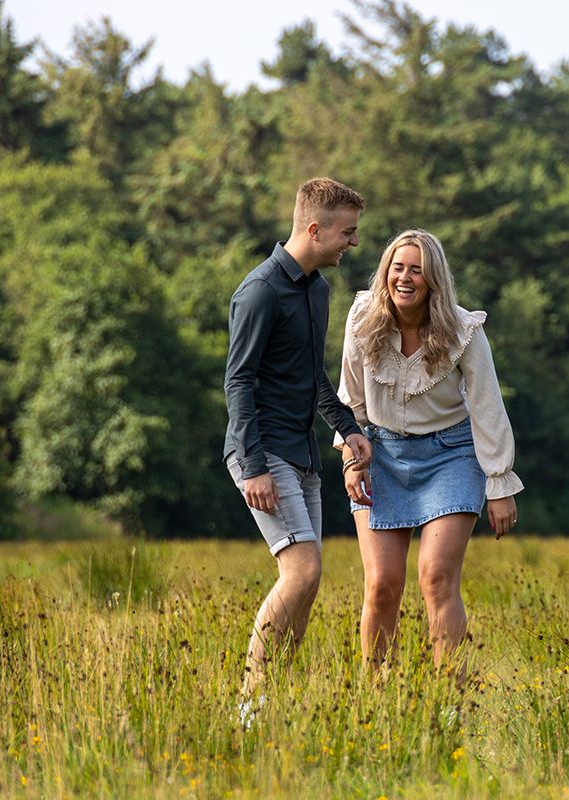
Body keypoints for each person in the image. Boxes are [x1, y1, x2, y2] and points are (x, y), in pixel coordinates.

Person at [334, 229, 523, 672]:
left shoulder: (463, 331)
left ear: (433, 279)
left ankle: (446, 702)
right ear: (385, 274)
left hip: (450, 456)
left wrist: (499, 484)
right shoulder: (362, 316)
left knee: (436, 577)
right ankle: (377, 703)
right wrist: (350, 458)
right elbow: (351, 398)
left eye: (415, 270)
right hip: (379, 454)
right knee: (382, 583)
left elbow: (487, 407)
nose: (404, 278)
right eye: (397, 268)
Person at [223, 177, 373, 706]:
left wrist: (349, 427)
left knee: (308, 585)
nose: (353, 244)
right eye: (347, 233)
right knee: (302, 570)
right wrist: (253, 464)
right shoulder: (260, 290)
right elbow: (238, 380)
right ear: (315, 229)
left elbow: (313, 378)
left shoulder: (317, 290)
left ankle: (276, 702)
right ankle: (250, 703)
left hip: (303, 453)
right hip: (263, 454)